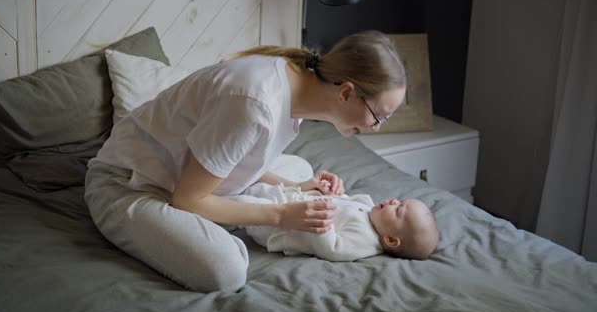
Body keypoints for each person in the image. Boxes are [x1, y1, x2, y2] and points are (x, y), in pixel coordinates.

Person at [84, 30, 407, 293]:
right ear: (346, 92)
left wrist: (297, 187)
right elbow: (187, 199)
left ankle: (240, 207)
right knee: (226, 271)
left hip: (190, 173)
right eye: (380, 115)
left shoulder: (297, 86)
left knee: (302, 171)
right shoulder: (255, 104)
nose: (376, 127)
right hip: (129, 185)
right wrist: (281, 215)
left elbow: (240, 154)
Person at [234, 182, 439, 261]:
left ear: (391, 240)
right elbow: (344, 201)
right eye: (400, 201)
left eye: (398, 209)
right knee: (254, 186)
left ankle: (213, 212)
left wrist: (325, 224)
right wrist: (330, 192)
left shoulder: (365, 240)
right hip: (288, 199)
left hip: (276, 227)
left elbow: (332, 249)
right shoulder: (368, 207)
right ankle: (221, 191)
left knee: (243, 204)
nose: (394, 201)